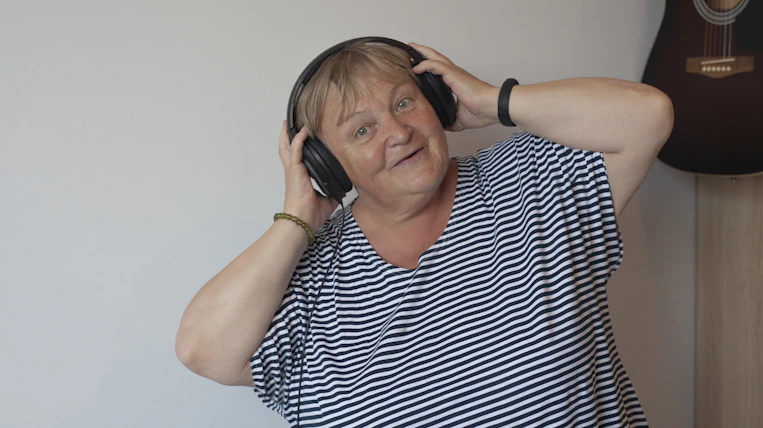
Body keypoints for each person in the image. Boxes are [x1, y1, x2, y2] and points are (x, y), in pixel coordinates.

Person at [175, 39, 674, 428]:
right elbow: (202, 349)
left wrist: (493, 101)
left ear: (438, 100)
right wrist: (298, 217)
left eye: (405, 102)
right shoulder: (309, 275)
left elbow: (648, 115)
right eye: (362, 130)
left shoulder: (531, 180)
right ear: (328, 165)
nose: (397, 132)